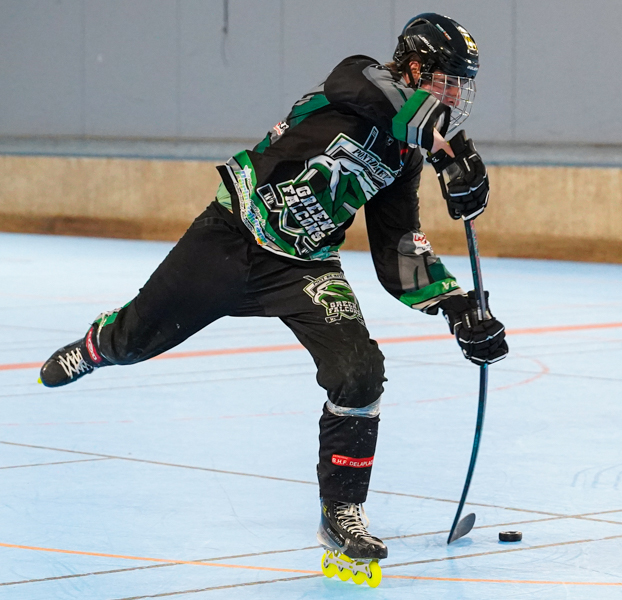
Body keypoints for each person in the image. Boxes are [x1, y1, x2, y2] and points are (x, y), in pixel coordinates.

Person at [37, 12, 507, 588]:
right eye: (445, 78)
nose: (455, 94)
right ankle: (96, 345)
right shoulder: (359, 80)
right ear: (411, 65)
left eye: (463, 84)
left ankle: (340, 512)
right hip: (230, 235)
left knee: (360, 374)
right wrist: (444, 142)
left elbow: (398, 249)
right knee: (135, 341)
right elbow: (363, 89)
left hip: (303, 266)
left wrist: (455, 304)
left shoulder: (406, 155)